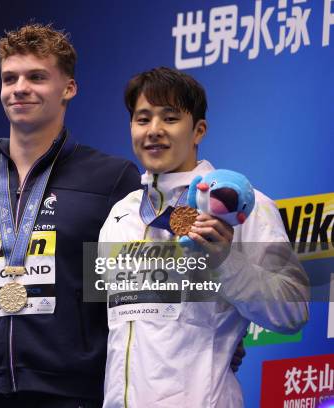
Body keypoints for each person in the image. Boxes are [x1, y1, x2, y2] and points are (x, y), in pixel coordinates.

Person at [99, 67, 310, 407]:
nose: (154, 131)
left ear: (198, 130)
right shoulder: (119, 215)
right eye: (142, 119)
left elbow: (293, 310)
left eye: (169, 119)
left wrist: (226, 262)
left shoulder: (241, 208)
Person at [0, 24, 142, 407]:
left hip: (76, 393)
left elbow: (138, 293)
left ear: (68, 88)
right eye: (10, 78)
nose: (20, 88)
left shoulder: (110, 178)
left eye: (37, 77)